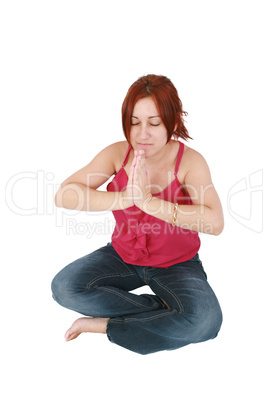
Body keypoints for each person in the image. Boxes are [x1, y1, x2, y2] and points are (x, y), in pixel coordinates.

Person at [51, 74, 224, 355]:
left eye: (154, 123)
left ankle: (104, 325)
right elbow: (64, 195)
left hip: (178, 264)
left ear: (173, 121)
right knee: (65, 287)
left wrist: (149, 202)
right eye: (134, 123)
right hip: (122, 256)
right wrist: (125, 198)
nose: (142, 134)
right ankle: (165, 311)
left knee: (206, 322)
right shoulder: (118, 154)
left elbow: (216, 223)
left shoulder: (191, 162)